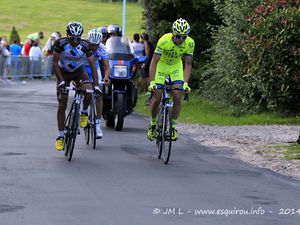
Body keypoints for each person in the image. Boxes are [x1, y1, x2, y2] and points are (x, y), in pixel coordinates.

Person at [53, 21, 99, 151]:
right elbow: (55, 63)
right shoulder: (60, 43)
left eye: (78, 38)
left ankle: (83, 112)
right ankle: (61, 136)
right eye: (72, 38)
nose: (75, 41)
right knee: (62, 102)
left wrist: (96, 86)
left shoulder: (85, 45)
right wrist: (61, 81)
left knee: (88, 92)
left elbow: (92, 67)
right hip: (63, 73)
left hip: (79, 72)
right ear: (67, 35)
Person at [147, 18, 195, 141]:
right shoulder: (164, 40)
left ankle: (173, 127)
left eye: (184, 37)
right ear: (173, 34)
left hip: (175, 68)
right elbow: (153, 62)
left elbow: (188, 64)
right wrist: (152, 82)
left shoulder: (189, 43)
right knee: (157, 97)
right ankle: (152, 125)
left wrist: (185, 83)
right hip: (161, 67)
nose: (181, 40)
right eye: (179, 36)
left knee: (177, 95)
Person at [84, 28, 110, 138]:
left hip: (95, 69)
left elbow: (107, 67)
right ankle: (82, 110)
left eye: (96, 45)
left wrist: (106, 77)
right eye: (92, 45)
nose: (94, 47)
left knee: (99, 94)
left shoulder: (102, 48)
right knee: (85, 91)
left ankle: (98, 124)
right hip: (82, 68)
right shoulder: (83, 46)